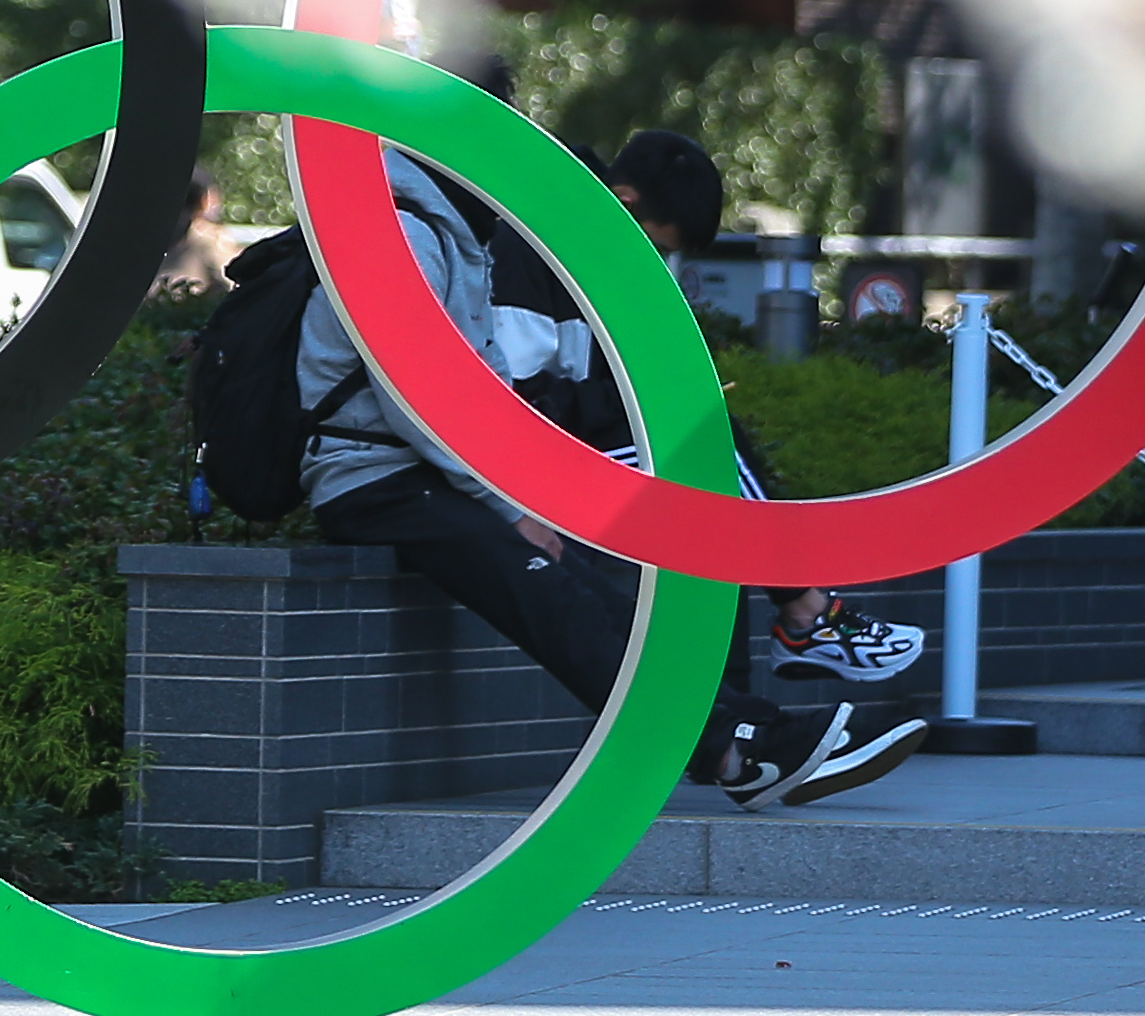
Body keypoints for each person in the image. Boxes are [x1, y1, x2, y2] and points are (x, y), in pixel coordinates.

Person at [302, 135, 927, 810]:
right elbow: (444, 396)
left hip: (458, 467)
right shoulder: (449, 236)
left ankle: (750, 726)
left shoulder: (481, 237)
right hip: (391, 470)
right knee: (582, 570)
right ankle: (753, 712)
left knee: (616, 554)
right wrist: (510, 502)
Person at [594, 129, 925, 691]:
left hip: (581, 439)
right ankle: (805, 612)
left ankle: (768, 670)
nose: (658, 258)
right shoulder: (559, 252)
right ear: (624, 199)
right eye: (657, 242)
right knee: (710, 456)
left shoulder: (600, 256)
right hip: (551, 451)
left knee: (713, 470)